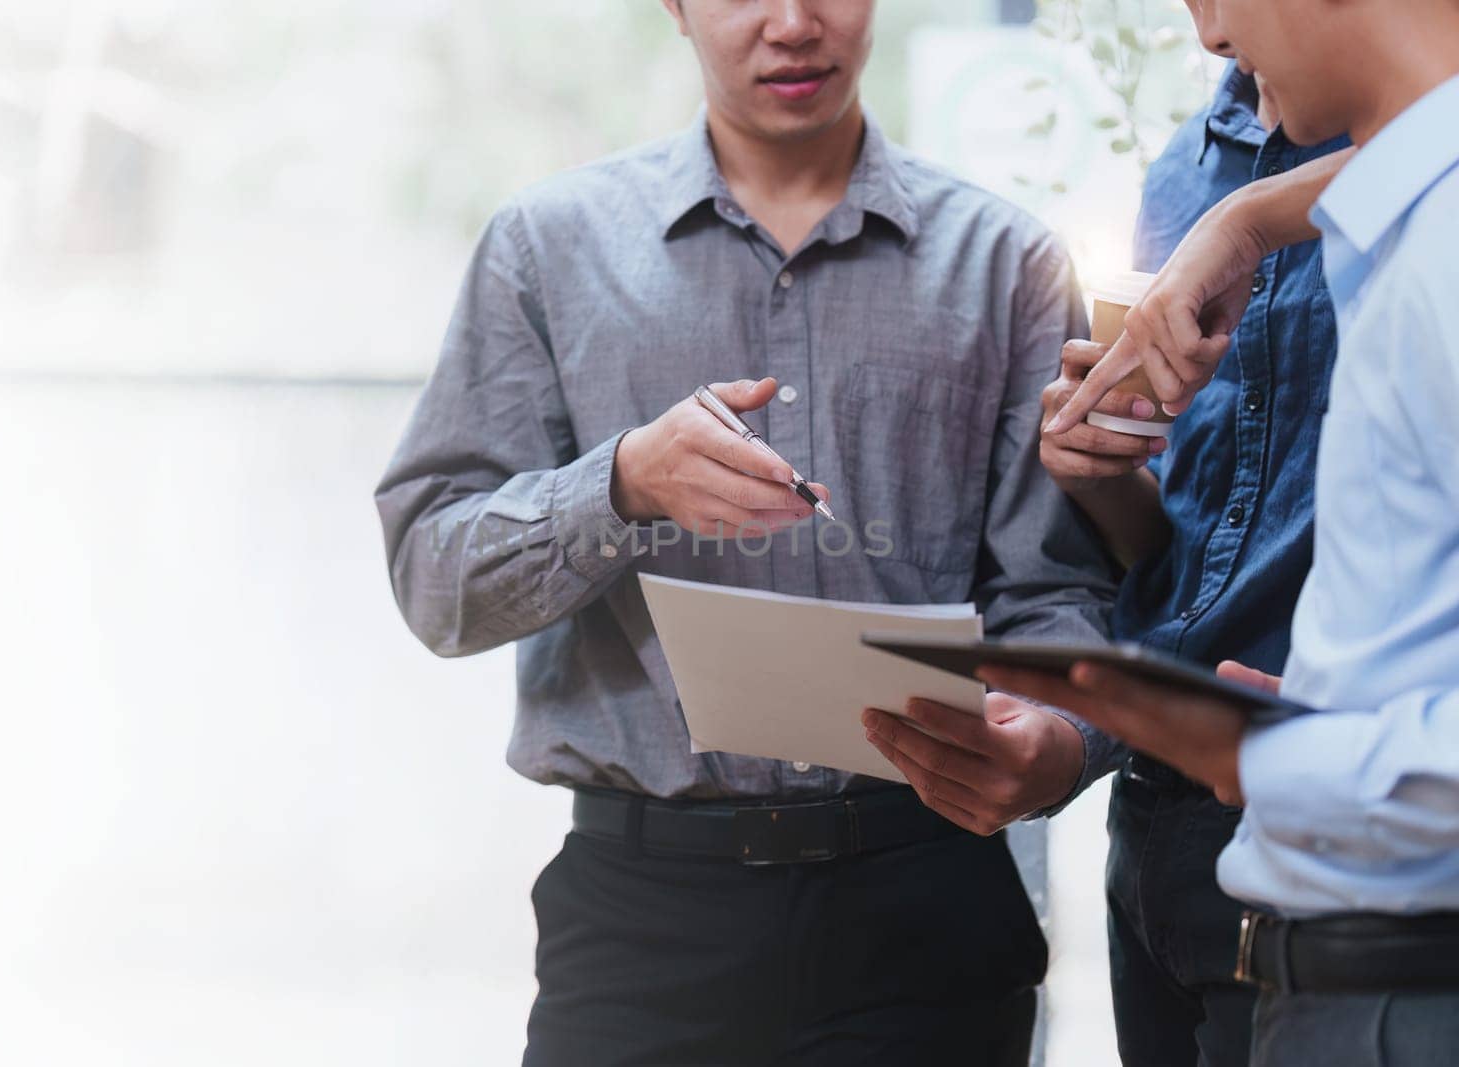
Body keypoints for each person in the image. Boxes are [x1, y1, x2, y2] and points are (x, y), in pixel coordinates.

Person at [375, 1, 1117, 1062]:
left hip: (926, 902)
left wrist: (1064, 744)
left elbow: (1058, 594)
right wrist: (620, 485)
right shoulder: (548, 247)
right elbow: (432, 580)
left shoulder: (1007, 265)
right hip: (643, 920)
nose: (792, 23)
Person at [865, 11, 1349, 1064]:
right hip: (1156, 820)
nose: (1212, 29)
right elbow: (1175, 546)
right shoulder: (1185, 166)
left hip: (1332, 816)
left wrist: (1256, 219)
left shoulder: (1410, 166)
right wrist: (1105, 473)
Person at [996, 1, 1459, 1062]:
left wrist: (1301, 749)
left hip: (1392, 946)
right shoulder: (1215, 180)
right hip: (1231, 862)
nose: (1205, 34)